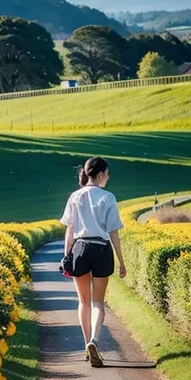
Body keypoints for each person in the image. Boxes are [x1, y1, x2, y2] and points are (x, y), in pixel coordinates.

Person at [60, 156, 126, 368]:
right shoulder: (108, 197)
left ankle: (86, 345)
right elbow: (113, 231)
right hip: (101, 248)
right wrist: (121, 261)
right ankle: (94, 341)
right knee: (98, 303)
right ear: (99, 174)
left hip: (80, 248)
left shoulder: (75, 196)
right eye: (107, 173)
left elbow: (69, 229)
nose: (108, 177)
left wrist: (66, 255)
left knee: (84, 302)